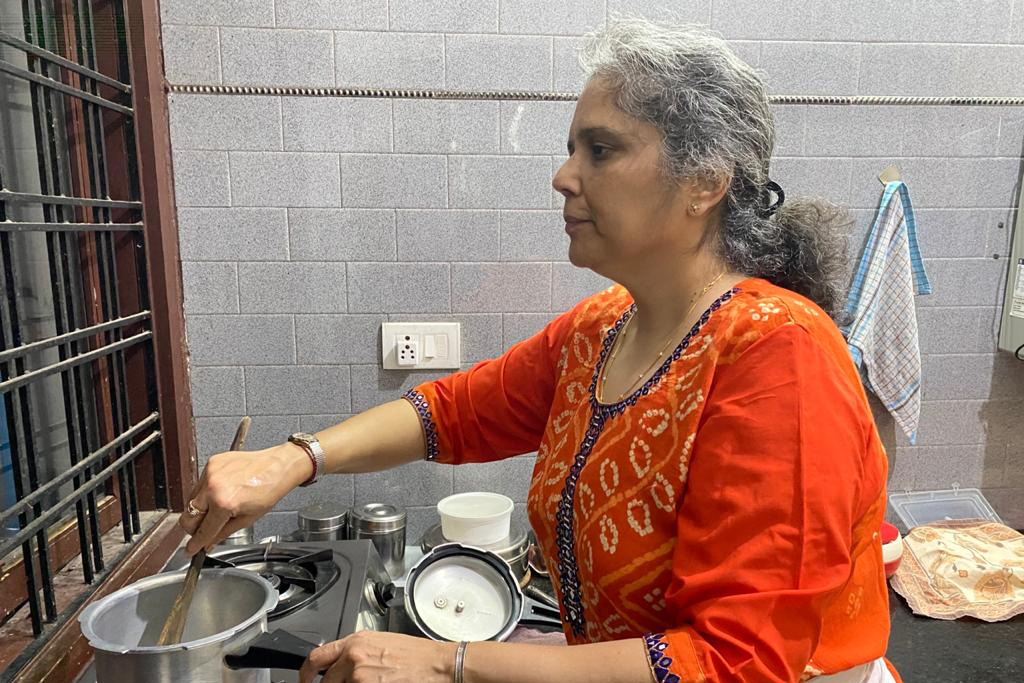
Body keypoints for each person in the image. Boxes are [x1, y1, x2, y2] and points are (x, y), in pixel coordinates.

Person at [179, 18, 900, 683]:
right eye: (570, 149)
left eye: (602, 148)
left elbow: (734, 661)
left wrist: (447, 663)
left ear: (706, 181)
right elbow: (453, 413)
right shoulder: (603, 327)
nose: (564, 175)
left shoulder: (780, 353)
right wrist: (294, 459)